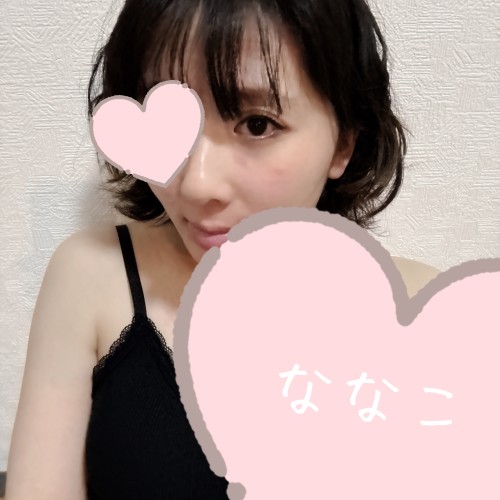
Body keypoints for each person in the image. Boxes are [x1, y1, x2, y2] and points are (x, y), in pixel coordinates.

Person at [5, 0, 440, 498]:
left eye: (257, 124)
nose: (196, 184)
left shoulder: (423, 312)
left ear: (344, 142)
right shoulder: (93, 278)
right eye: (174, 123)